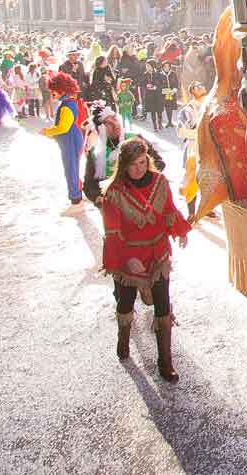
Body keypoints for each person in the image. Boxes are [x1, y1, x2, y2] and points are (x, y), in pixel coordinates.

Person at [101, 138, 190, 383]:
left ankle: (165, 362)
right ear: (124, 166)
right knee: (126, 302)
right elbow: (112, 233)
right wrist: (127, 260)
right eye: (133, 164)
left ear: (147, 159)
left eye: (142, 162)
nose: (139, 169)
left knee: (163, 304)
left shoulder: (160, 182)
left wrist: (180, 230)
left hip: (157, 254)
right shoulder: (114, 193)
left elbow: (169, 210)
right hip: (128, 257)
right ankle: (123, 338)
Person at [41, 73, 89, 206]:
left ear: (61, 89)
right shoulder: (67, 103)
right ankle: (76, 193)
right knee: (72, 167)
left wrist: (48, 131)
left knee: (70, 168)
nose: (52, 94)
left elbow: (63, 127)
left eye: (53, 91)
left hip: (70, 140)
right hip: (70, 139)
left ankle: (75, 197)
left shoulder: (67, 105)